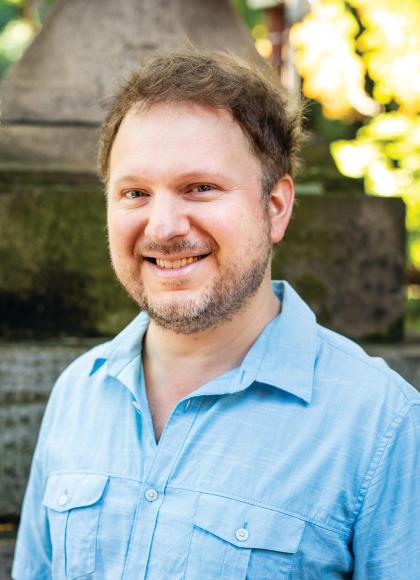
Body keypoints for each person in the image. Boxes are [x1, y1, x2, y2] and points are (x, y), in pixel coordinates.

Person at [12, 51, 419, 579]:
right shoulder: (78, 393)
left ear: (275, 207)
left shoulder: (382, 423)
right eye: (135, 193)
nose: (163, 228)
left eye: (200, 188)